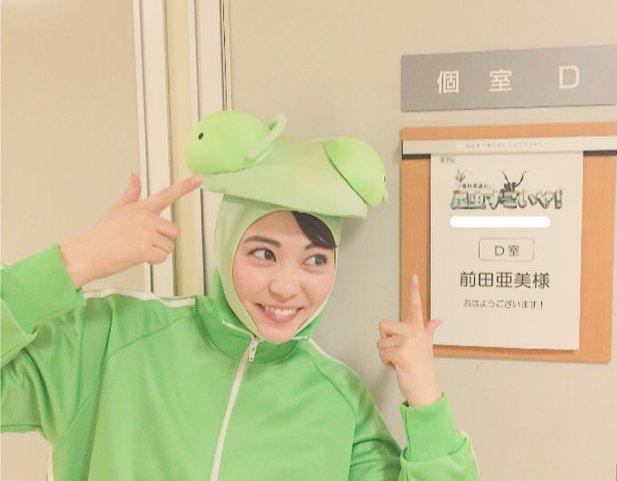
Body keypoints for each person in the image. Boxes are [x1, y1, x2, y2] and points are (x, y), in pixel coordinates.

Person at [1, 110, 480, 480]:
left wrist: (426, 399)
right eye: (263, 254)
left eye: (315, 260)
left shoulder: (338, 401)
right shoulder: (113, 338)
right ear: (226, 247)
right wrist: (76, 260)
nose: (287, 287)